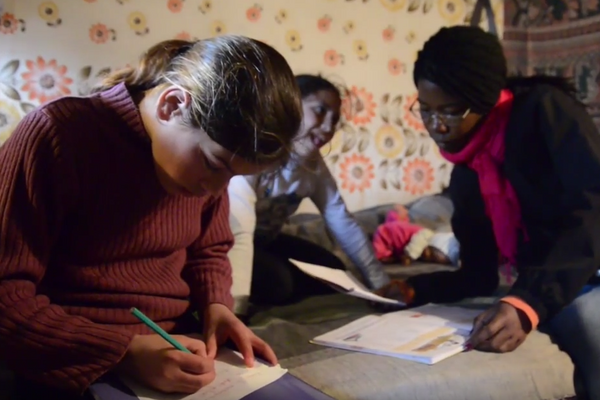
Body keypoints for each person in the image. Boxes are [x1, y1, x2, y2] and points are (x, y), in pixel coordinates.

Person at [0, 36, 303, 400]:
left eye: (233, 177)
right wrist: (124, 352)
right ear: (172, 105)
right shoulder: (58, 134)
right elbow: (6, 294)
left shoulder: (205, 173)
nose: (215, 189)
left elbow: (209, 249)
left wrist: (217, 305)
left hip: (177, 348)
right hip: (71, 358)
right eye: (214, 164)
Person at [375, 26, 600, 399]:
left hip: (589, 268)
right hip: (542, 279)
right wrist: (417, 288)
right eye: (426, 110)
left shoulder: (544, 111)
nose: (436, 126)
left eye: (449, 111)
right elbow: (479, 275)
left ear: (483, 100)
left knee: (588, 327)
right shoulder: (468, 172)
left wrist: (528, 302)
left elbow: (594, 207)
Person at [227, 74, 390, 314]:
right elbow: (239, 226)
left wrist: (381, 284)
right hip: (228, 240)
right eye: (320, 110)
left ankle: (283, 277)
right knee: (279, 284)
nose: (327, 127)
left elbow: (342, 221)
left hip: (265, 241)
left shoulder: (314, 168)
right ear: (289, 106)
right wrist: (236, 306)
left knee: (336, 272)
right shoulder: (254, 153)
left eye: (334, 120)